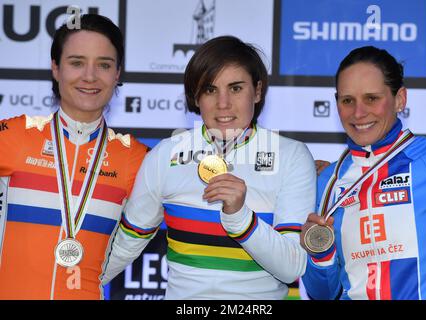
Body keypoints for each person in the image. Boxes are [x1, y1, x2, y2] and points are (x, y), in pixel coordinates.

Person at [102, 35, 316, 299]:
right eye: (210, 90)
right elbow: (123, 248)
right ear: (196, 95)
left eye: (236, 88)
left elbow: (292, 268)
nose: (223, 103)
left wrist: (239, 217)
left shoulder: (292, 156)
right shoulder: (166, 154)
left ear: (257, 91)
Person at [0, 14, 148, 299]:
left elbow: (142, 232)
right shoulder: (14, 135)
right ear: (55, 68)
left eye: (104, 65)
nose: (90, 76)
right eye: (76, 62)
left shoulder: (135, 157)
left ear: (117, 73)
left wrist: (97, 273)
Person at [300, 46, 426, 300]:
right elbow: (323, 294)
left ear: (400, 99)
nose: (358, 113)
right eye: (348, 100)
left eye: (371, 98)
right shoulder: (325, 184)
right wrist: (319, 255)